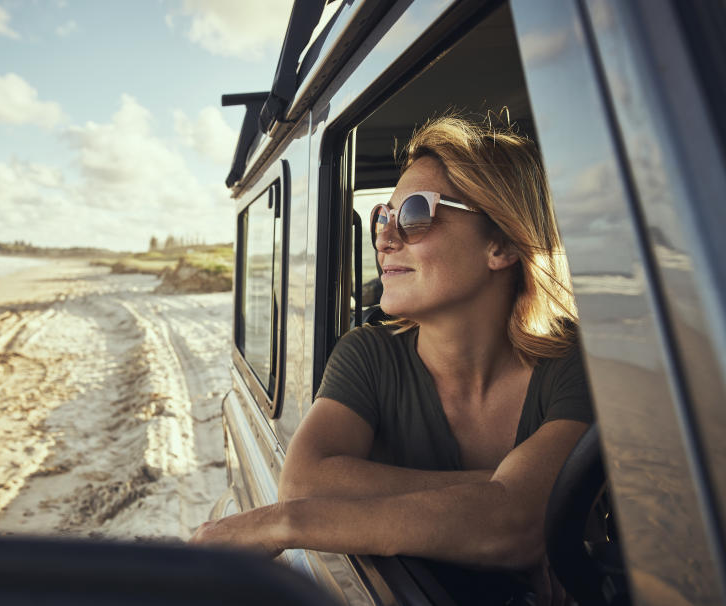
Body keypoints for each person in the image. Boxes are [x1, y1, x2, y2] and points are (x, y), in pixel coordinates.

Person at [190, 115, 594, 604]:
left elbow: (518, 525)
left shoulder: (576, 361)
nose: (384, 238)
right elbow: (303, 483)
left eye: (416, 214)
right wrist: (502, 492)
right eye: (384, 215)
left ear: (503, 243)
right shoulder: (369, 355)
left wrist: (284, 523)